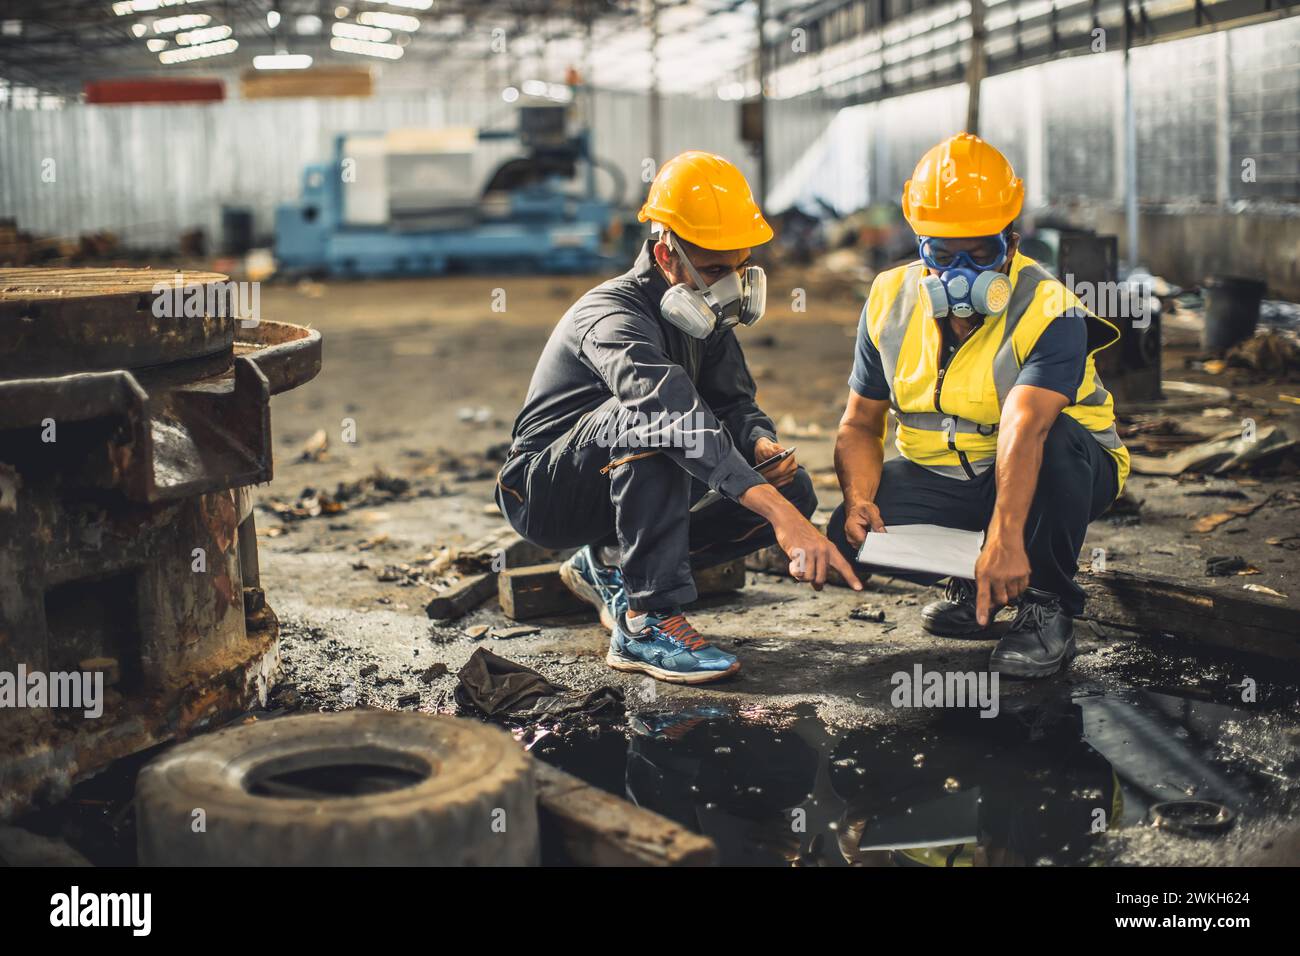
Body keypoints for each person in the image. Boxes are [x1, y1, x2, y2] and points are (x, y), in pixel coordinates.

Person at [497, 151, 861, 685]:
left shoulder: (703, 311)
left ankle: (612, 565)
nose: (731, 286)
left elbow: (734, 405)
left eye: (740, 267)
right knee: (659, 424)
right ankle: (646, 623)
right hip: (546, 493)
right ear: (666, 252)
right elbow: (673, 415)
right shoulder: (611, 316)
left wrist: (759, 445)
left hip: (624, 477)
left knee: (795, 492)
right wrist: (783, 520)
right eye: (716, 270)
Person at [829, 133, 1129, 678]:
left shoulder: (1050, 308)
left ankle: (1046, 602)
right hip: (953, 474)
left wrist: (1007, 539)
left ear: (1011, 244)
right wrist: (858, 499)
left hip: (1063, 468)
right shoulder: (889, 299)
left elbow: (1026, 427)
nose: (959, 271)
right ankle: (974, 585)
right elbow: (859, 423)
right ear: (920, 246)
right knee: (849, 535)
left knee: (1056, 439)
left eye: (980, 252)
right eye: (942, 254)